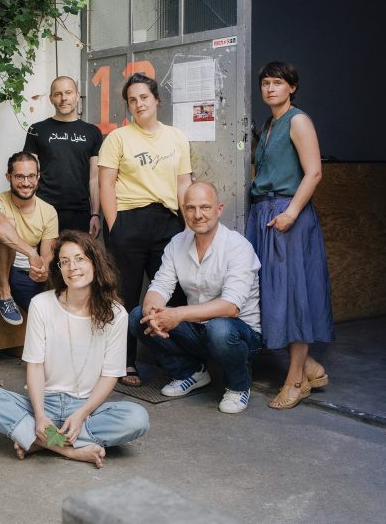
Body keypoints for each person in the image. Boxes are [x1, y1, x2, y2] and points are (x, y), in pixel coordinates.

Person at [0, 231, 150, 468]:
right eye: (64, 262)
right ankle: (68, 449)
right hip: (43, 404)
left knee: (138, 418)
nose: (72, 267)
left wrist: (82, 413)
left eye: (79, 259)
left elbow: (110, 375)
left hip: (87, 408)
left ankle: (37, 441)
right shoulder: (42, 304)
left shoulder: (116, 314)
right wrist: (41, 415)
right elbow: (34, 366)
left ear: (95, 263)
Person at [128, 182, 263, 413]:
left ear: (219, 209)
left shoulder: (237, 247)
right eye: (190, 208)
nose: (198, 215)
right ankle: (190, 373)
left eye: (205, 207)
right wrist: (154, 313)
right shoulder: (177, 243)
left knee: (219, 328)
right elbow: (160, 286)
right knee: (137, 316)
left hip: (239, 336)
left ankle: (238, 386)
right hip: (198, 332)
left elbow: (231, 307)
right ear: (183, 210)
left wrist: (177, 314)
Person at [246, 61, 333, 409]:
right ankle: (310, 366)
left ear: (292, 87)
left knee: (294, 294)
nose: (270, 89)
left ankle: (296, 381)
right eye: (265, 83)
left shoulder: (298, 120)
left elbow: (313, 173)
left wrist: (291, 213)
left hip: (288, 216)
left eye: (277, 83)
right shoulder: (269, 124)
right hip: (265, 214)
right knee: (270, 294)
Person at [98, 72, 192, 388]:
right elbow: (106, 183)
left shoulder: (176, 137)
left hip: (167, 222)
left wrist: (188, 225)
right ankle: (124, 363)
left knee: (174, 294)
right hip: (128, 221)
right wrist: (115, 227)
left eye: (144, 98)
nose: (139, 104)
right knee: (122, 296)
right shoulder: (118, 138)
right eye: (132, 100)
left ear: (156, 101)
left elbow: (183, 184)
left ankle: (183, 363)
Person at [0, 151, 58, 324]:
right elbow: (1, 229)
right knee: (7, 227)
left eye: (31, 176)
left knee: (47, 316)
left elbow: (47, 255)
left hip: (25, 274)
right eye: (19, 177)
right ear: (9, 177)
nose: (26, 183)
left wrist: (43, 270)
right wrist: (31, 253)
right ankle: (4, 294)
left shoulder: (48, 211)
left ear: (38, 177)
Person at [23, 76, 103, 236]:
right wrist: (28, 211)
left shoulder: (92, 132)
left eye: (68, 92)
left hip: (80, 212)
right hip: (44, 209)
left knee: (76, 258)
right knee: (45, 259)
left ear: (77, 95)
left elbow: (94, 178)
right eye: (58, 94)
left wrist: (95, 214)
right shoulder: (37, 130)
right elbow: (28, 173)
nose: (63, 98)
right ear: (51, 98)